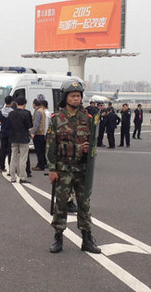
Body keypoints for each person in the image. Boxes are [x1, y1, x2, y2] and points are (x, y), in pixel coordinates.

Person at [45, 79, 102, 254]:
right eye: (73, 96)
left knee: (84, 204)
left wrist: (87, 151)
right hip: (63, 169)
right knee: (61, 204)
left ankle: (87, 238)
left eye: (78, 96)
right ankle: (58, 238)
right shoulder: (56, 119)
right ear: (65, 97)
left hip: (82, 170)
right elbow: (51, 145)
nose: (76, 99)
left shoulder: (88, 118)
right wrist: (52, 169)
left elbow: (93, 145)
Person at [6, 96, 33, 183]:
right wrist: (31, 134)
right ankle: (22, 177)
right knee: (23, 158)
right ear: (25, 104)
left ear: (16, 104)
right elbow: (29, 126)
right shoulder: (27, 113)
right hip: (24, 138)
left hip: (13, 137)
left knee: (13, 157)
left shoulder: (11, 114)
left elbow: (9, 126)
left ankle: (12, 176)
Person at [31, 98, 49, 171]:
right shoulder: (42, 110)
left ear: (34, 104)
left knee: (39, 150)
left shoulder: (38, 112)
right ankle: (43, 163)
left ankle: (40, 165)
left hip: (38, 133)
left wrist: (33, 133)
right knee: (42, 150)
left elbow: (36, 123)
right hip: (42, 132)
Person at [0, 95, 14, 172]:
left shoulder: (1, 112)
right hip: (11, 132)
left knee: (3, 150)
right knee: (10, 151)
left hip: (3, 131)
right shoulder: (13, 113)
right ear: (11, 102)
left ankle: (2, 166)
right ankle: (10, 167)